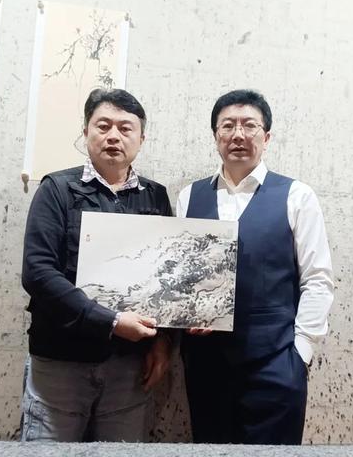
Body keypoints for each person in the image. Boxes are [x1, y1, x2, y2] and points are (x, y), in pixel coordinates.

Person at [177, 89, 334, 445]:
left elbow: (317, 280)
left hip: (276, 362)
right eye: (228, 126)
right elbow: (186, 278)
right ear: (215, 135)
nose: (238, 134)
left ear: (266, 137)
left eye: (249, 125)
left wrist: (300, 353)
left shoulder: (297, 196)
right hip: (206, 364)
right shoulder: (189, 196)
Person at [20, 88, 172, 442]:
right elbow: (38, 273)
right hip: (60, 363)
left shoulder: (155, 196)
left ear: (141, 138)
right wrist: (112, 322)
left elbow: (166, 278)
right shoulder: (57, 189)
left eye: (125, 128)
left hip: (129, 367)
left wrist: (163, 343)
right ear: (86, 131)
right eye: (103, 126)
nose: (113, 136)